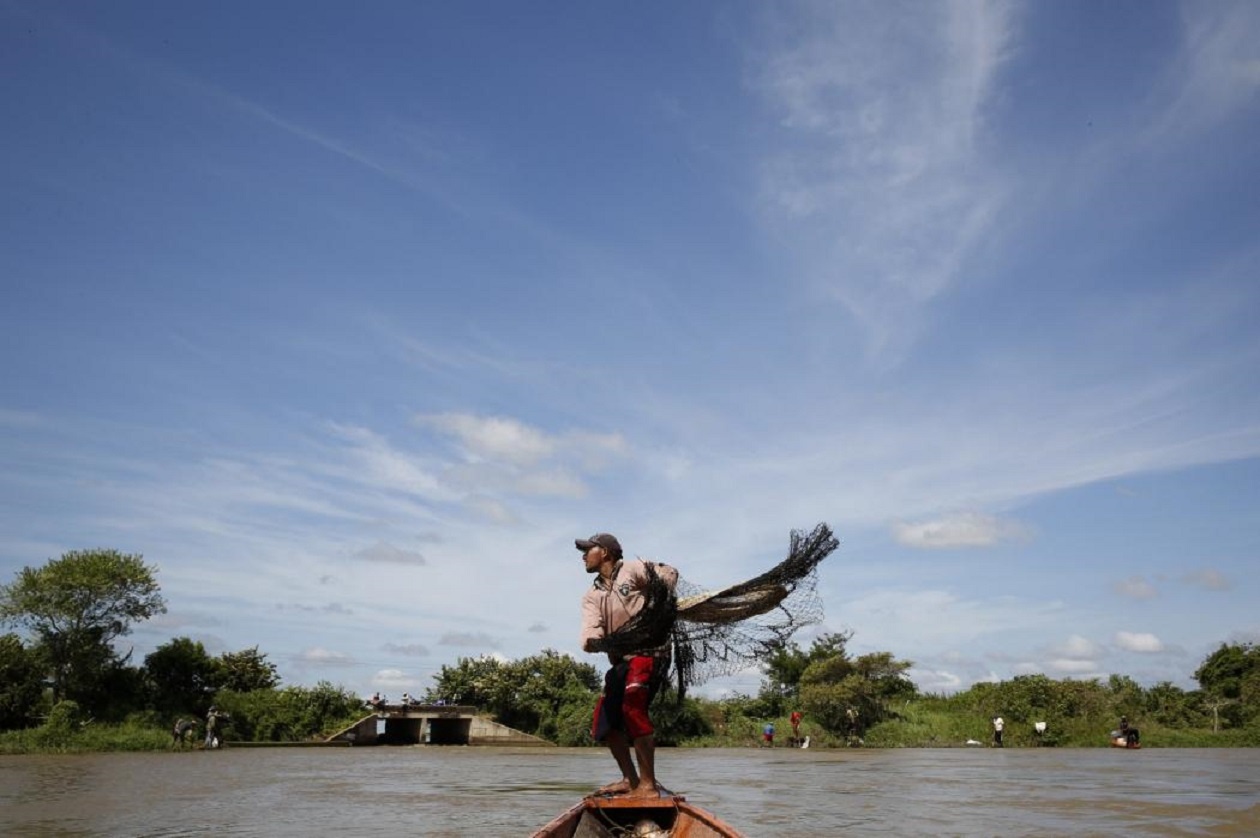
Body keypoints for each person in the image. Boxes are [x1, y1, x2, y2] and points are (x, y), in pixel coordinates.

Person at [577, 532, 679, 800]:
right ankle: (630, 779)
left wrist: (657, 606)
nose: (584, 556)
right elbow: (590, 634)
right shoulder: (592, 595)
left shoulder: (633, 570)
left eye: (589, 550)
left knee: (633, 702)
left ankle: (648, 784)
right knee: (605, 723)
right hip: (622, 659)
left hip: (649, 653)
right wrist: (594, 642)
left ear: (606, 553)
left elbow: (669, 574)